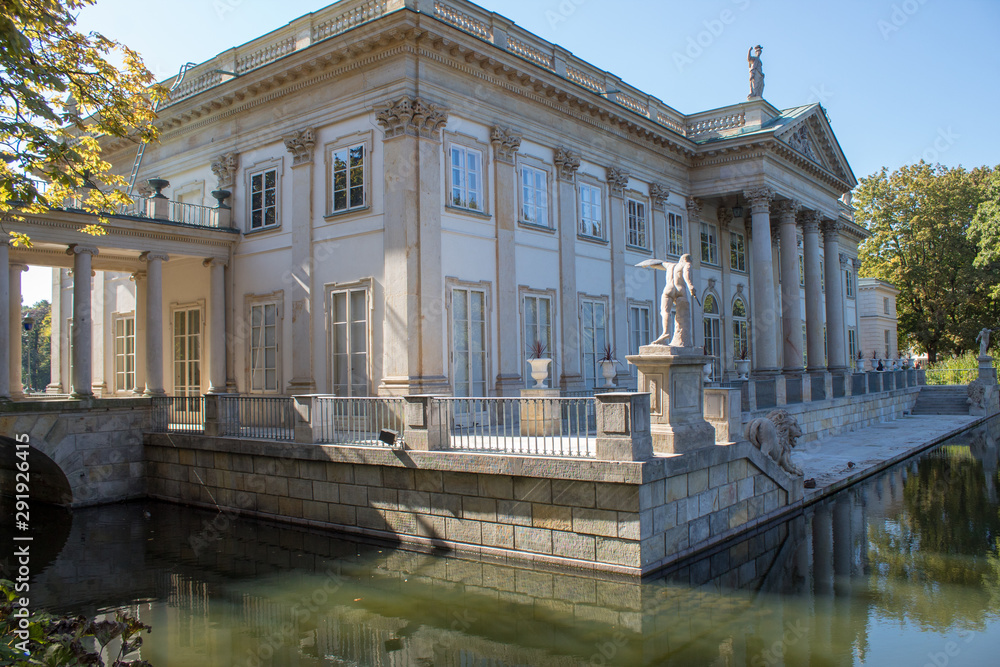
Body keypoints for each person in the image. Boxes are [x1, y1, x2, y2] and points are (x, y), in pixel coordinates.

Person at [637, 254, 697, 347]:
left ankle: (666, 332)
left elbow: (657, 263)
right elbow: (686, 274)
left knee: (665, 311)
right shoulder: (686, 264)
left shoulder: (670, 265)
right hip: (680, 289)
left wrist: (646, 264)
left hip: (669, 289)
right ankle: (681, 338)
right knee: (683, 315)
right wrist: (690, 286)